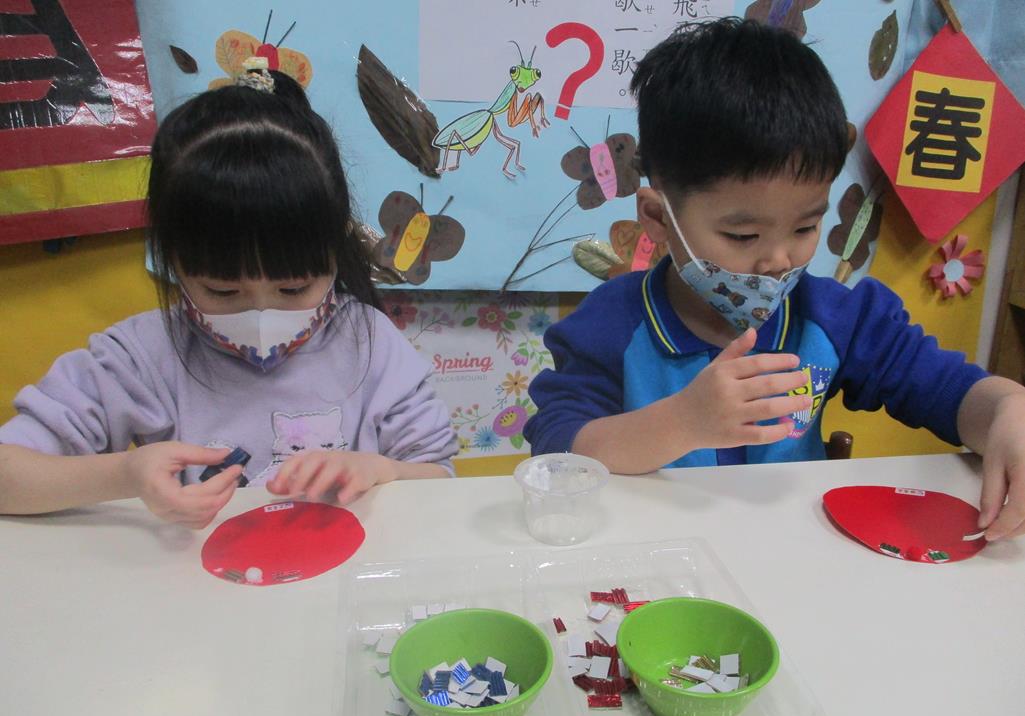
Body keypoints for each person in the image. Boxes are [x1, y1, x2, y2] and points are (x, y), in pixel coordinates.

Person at [524, 19, 1025, 541]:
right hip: (655, 557)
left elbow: (949, 392)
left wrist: (1007, 409)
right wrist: (683, 422)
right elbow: (558, 454)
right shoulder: (609, 325)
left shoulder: (835, 317)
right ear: (658, 218)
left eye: (806, 227)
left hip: (790, 558)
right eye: (743, 235)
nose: (779, 260)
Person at [0, 61, 457, 528]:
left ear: (335, 253)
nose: (261, 312)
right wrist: (125, 474)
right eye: (222, 290)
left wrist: (382, 471)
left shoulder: (370, 343)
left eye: (294, 288)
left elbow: (440, 477)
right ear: (174, 263)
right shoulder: (140, 358)